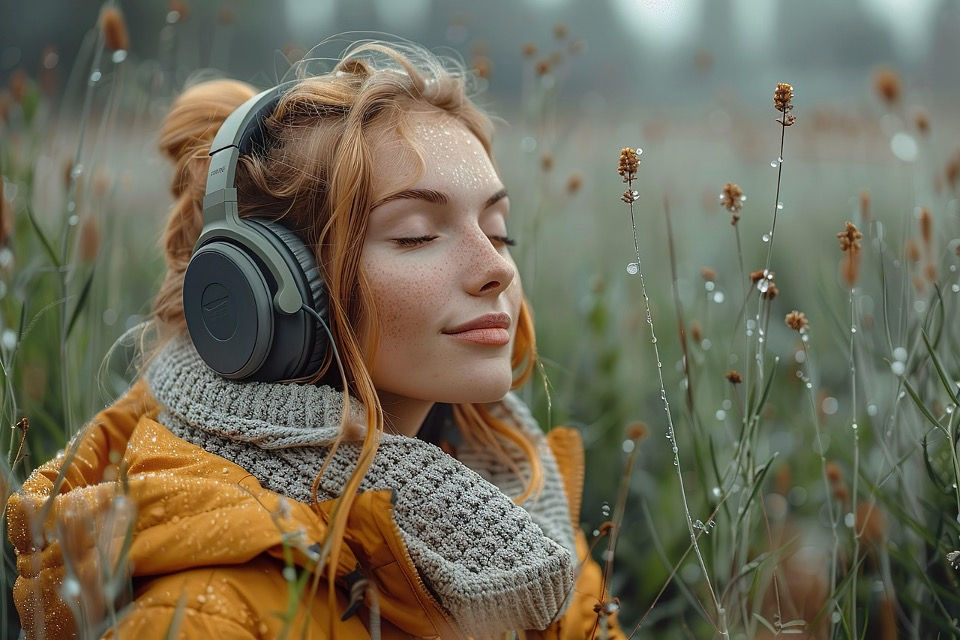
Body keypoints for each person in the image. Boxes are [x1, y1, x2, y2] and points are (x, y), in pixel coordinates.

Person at [7, 40, 625, 640]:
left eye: (498, 230)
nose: (497, 268)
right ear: (269, 289)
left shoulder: (512, 509)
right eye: (415, 234)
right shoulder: (209, 613)